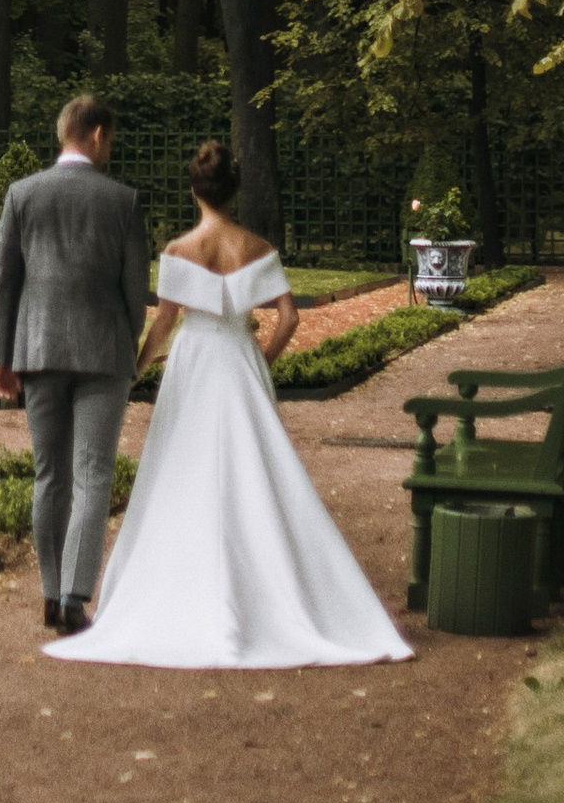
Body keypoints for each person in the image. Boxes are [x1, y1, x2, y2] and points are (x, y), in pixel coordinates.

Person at [49, 136, 413, 671]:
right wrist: (261, 359)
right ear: (234, 190)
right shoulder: (258, 248)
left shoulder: (177, 251)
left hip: (194, 364)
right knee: (258, 473)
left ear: (194, 189)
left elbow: (164, 323)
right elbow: (290, 318)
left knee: (181, 470)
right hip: (239, 360)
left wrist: (136, 370)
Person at [0, 93, 151, 635]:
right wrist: (128, 344)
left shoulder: (21, 195)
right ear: (98, 134)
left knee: (49, 475)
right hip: (103, 352)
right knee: (93, 475)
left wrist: (2, 354)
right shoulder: (123, 202)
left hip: (35, 350)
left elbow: (3, 282)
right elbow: (135, 292)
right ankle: (74, 597)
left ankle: (47, 591)